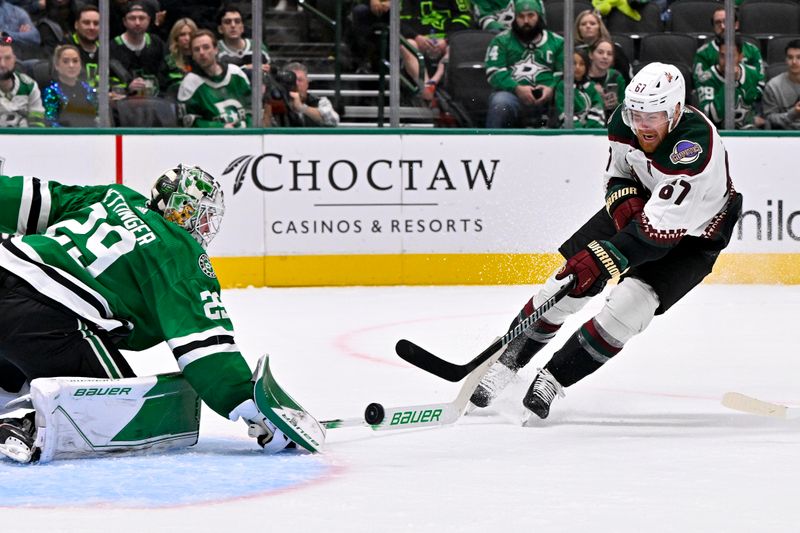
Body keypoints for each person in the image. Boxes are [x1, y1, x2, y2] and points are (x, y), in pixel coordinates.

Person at [469, 62, 743, 420]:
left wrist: (603, 257)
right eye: (636, 114)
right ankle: (504, 365)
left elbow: (658, 234)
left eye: (654, 116)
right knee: (565, 282)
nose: (642, 125)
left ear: (675, 111)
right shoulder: (623, 121)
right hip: (646, 208)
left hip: (694, 235)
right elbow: (616, 174)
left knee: (629, 308)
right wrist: (624, 205)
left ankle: (553, 378)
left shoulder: (693, 150)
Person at [0, 164, 299, 463]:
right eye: (204, 216)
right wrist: (248, 403)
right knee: (120, 412)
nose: (206, 227)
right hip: (42, 311)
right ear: (185, 210)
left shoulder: (113, 196)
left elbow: (31, 198)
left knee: (13, 375)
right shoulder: (178, 250)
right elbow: (205, 348)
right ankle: (25, 423)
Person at [484, 0, 563, 128]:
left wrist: (551, 88)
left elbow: (564, 73)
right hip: (513, 97)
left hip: (550, 100)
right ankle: (492, 143)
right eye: (521, 16)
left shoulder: (558, 43)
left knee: (567, 97)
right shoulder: (501, 40)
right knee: (500, 102)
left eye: (531, 15)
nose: (526, 21)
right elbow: (494, 72)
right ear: (515, 18)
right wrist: (517, 88)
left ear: (539, 16)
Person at [399, 0, 472, 101]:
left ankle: (433, 81)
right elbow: (400, 20)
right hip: (419, 39)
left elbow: (465, 18)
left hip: (446, 40)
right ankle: (425, 86)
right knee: (407, 45)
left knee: (457, 46)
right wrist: (416, 36)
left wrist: (447, 39)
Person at [177, 29, 251, 128]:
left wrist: (250, 131)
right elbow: (189, 122)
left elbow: (253, 109)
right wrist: (219, 128)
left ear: (216, 49)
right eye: (196, 49)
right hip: (211, 141)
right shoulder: (189, 84)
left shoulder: (236, 73)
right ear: (193, 55)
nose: (202, 53)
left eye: (206, 47)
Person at [695, 35, 762, 129]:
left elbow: (754, 105)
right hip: (719, 134)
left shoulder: (752, 74)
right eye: (723, 55)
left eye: (731, 56)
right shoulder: (706, 79)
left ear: (740, 57)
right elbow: (711, 117)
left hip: (749, 134)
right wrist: (730, 83)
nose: (726, 61)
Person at [693, 7, 764, 93]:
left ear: (736, 25)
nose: (723, 26)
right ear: (713, 27)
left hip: (748, 103)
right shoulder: (703, 53)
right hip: (715, 102)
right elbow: (700, 85)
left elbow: (760, 85)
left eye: (726, 21)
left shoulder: (752, 50)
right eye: (717, 23)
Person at [110, 2, 168, 97]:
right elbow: (105, 81)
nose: (137, 23)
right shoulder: (112, 47)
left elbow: (171, 74)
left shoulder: (157, 43)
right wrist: (127, 87)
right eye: (132, 18)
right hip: (122, 104)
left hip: (154, 102)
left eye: (142, 18)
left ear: (149, 20)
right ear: (124, 21)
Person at [42, 44, 98, 127]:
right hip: (63, 137)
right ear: (57, 66)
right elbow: (50, 122)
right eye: (65, 61)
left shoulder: (88, 89)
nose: (71, 65)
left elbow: (98, 117)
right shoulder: (52, 92)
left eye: (75, 61)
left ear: (80, 65)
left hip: (90, 135)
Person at [574, 10, 631, 83]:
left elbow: (626, 77)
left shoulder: (615, 49)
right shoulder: (573, 51)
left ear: (599, 27)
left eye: (592, 23)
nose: (588, 26)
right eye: (583, 24)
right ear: (578, 29)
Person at [276, 61, 339, 127]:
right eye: (292, 80)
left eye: (300, 80)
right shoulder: (276, 101)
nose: (296, 84)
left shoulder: (320, 102)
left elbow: (333, 121)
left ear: (307, 83)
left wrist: (301, 107)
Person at [0, 32, 44, 127]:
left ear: (14, 59)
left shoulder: (29, 85)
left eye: (7, 58)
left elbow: (37, 124)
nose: (2, 64)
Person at [554, 48, 605, 128]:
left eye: (582, 64)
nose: (577, 67)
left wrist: (587, 129)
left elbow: (598, 109)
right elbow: (562, 111)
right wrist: (579, 129)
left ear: (587, 66)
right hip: (567, 133)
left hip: (590, 133)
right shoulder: (562, 86)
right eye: (574, 63)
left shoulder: (592, 87)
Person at [215, 5, 270, 77]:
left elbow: (267, 70)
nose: (233, 25)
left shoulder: (257, 46)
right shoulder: (215, 49)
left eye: (237, 21)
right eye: (227, 22)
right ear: (220, 29)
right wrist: (245, 68)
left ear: (242, 28)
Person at [761, 39, 800, 130]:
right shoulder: (773, 86)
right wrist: (793, 113)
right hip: (783, 137)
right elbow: (769, 119)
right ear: (785, 59)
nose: (794, 62)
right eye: (790, 57)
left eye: (799, 57)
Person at [587, 38, 626, 120]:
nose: (605, 57)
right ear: (591, 54)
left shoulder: (617, 77)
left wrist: (616, 105)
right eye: (600, 52)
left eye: (609, 54)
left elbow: (625, 109)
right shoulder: (582, 77)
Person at [164, 17, 197, 96]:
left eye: (191, 34)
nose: (187, 38)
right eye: (182, 35)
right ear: (176, 38)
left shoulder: (202, 58)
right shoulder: (168, 61)